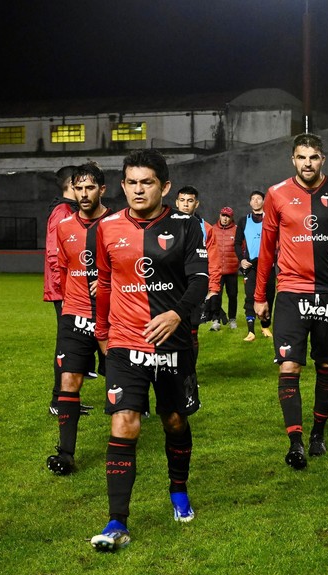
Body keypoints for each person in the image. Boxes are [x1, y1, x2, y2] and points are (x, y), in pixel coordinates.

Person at [90, 149, 209, 552]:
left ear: (165, 186)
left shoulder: (187, 226)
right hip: (125, 342)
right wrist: (103, 337)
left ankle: (178, 491)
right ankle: (116, 521)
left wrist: (177, 314)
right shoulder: (105, 228)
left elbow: (199, 281)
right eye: (132, 182)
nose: (139, 189)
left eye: (148, 182)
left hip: (174, 342)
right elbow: (103, 285)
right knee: (124, 423)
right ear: (122, 185)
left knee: (174, 420)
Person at [253, 133, 328, 470]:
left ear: (322, 160)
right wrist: (260, 296)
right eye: (302, 157)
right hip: (290, 292)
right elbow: (267, 248)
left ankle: (318, 432)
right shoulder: (276, 194)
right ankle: (296, 442)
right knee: (290, 366)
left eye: (314, 157)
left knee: (327, 366)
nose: (307, 163)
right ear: (293, 159)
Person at [46, 162, 110, 475]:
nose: (83, 194)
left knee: (121, 383)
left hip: (113, 318)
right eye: (79, 188)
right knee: (69, 382)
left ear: (102, 190)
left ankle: (126, 433)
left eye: (89, 188)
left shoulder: (117, 223)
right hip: (74, 314)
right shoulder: (64, 227)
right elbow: (62, 269)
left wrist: (111, 284)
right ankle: (66, 453)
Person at [45, 165, 96, 417]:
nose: (85, 192)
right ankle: (58, 400)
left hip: (68, 290)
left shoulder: (67, 210)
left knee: (73, 345)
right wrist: (66, 292)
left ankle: (68, 399)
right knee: (65, 347)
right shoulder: (63, 212)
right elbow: (56, 256)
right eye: (80, 186)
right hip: (64, 292)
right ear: (70, 186)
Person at [174, 185, 221, 361]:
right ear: (176, 202)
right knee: (169, 330)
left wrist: (213, 290)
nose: (186, 205)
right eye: (182, 200)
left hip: (194, 287)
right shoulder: (166, 225)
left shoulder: (207, 229)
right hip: (169, 286)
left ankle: (190, 374)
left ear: (197, 204)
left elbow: (214, 261)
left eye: (190, 201)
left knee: (192, 332)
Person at [235, 190, 276, 341]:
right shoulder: (244, 220)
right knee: (250, 297)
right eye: (253, 199)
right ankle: (251, 331)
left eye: (259, 198)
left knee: (270, 296)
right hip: (251, 265)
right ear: (250, 202)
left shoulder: (271, 219)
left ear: (264, 201)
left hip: (268, 265)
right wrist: (241, 259)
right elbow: (237, 243)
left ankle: (265, 326)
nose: (256, 201)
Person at [209, 206, 239, 331]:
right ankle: (216, 320)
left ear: (231, 218)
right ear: (219, 216)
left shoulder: (237, 230)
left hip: (232, 270)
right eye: (223, 215)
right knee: (216, 295)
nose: (225, 218)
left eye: (227, 216)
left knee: (232, 295)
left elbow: (241, 247)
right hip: (217, 271)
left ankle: (232, 319)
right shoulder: (212, 229)